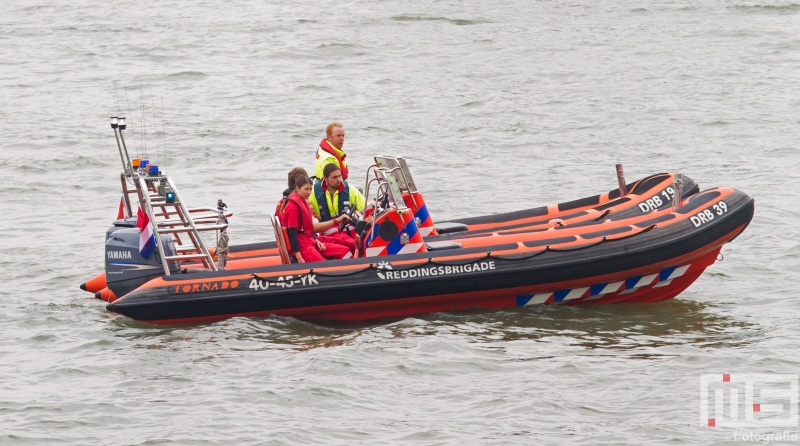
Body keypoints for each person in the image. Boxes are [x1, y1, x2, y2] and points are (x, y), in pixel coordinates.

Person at [277, 173, 352, 263]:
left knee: (344, 250)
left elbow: (307, 229)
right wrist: (299, 258)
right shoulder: (293, 207)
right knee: (322, 265)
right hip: (302, 246)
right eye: (306, 189)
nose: (309, 192)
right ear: (297, 188)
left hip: (308, 240)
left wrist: (315, 240)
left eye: (310, 189)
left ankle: (347, 273)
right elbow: (292, 234)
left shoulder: (302, 201)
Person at [309, 163, 366, 253]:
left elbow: (366, 208)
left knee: (361, 244)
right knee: (347, 249)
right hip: (329, 236)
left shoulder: (349, 190)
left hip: (350, 233)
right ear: (325, 179)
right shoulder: (314, 193)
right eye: (334, 177)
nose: (338, 180)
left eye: (339, 176)